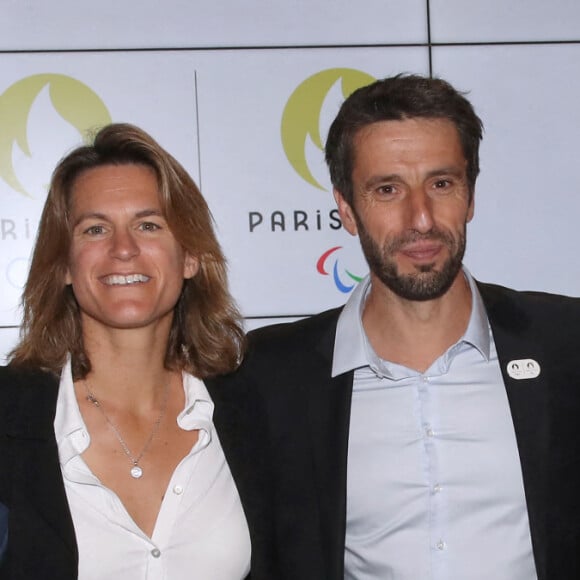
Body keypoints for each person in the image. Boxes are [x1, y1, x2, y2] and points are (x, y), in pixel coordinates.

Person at [207, 75, 580, 580]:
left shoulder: (566, 344)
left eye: (441, 184)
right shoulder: (268, 377)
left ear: (469, 196)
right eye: (388, 190)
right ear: (347, 209)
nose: (421, 218)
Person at [0, 123, 251, 579]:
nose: (123, 249)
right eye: (95, 229)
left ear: (189, 256)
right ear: (63, 266)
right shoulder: (7, 416)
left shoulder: (255, 411)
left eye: (148, 225)